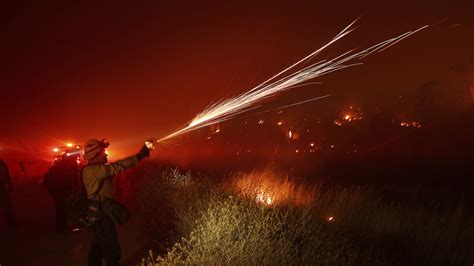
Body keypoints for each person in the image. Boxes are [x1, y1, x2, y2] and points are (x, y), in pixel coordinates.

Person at [82, 138, 152, 266]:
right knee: (112, 250)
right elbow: (118, 167)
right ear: (95, 154)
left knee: (97, 247)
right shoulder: (94, 171)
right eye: (103, 152)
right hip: (102, 216)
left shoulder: (93, 169)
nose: (106, 154)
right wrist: (140, 156)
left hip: (97, 214)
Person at [43, 154, 80, 233]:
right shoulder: (71, 164)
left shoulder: (60, 163)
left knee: (60, 208)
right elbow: (73, 177)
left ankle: (61, 227)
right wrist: (75, 189)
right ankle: (63, 228)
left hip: (56, 189)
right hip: (62, 189)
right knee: (64, 208)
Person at [0, 159, 15, 228]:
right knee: (6, 204)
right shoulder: (2, 163)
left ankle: (9, 222)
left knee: (6, 204)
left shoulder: (2, 163)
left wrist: (9, 184)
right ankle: (9, 222)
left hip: (2, 186)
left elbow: (6, 175)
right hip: (3, 186)